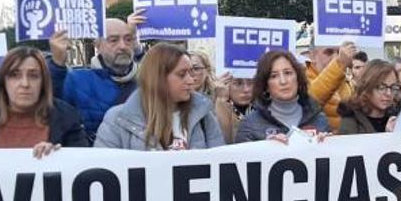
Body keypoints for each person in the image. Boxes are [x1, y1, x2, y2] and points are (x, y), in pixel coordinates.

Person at [94, 44, 225, 150]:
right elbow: (104, 170)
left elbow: (219, 165)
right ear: (158, 78)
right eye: (182, 74)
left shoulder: (204, 117)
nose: (191, 80)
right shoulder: (117, 119)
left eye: (191, 72)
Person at [49, 12, 144, 142]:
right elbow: (50, 107)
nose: (123, 46)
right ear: (98, 45)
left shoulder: (147, 82)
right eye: (113, 40)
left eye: (128, 39)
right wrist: (57, 63)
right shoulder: (76, 80)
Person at [0, 47, 88, 155]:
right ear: (3, 82)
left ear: (43, 82)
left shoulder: (67, 118)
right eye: (15, 75)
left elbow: (82, 164)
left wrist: (59, 156)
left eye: (33, 76)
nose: (25, 84)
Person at [235, 51, 329, 143]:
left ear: (298, 77)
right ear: (265, 85)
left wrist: (328, 144)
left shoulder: (320, 120)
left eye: (288, 73)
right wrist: (265, 149)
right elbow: (241, 157)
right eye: (274, 76)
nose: (283, 81)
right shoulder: (250, 125)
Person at [338, 60, 401, 135]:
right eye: (381, 87)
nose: (388, 93)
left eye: (393, 87)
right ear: (367, 87)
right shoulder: (351, 122)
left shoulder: (398, 117)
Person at [306, 41, 357, 132]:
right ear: (312, 56)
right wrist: (340, 64)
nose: (335, 58)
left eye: (339, 53)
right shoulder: (302, 81)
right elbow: (311, 100)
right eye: (329, 52)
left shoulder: (348, 82)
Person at [216, 76, 254, 144]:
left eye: (251, 83)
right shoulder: (211, 108)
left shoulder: (264, 109)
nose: (246, 90)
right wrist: (222, 101)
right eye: (238, 83)